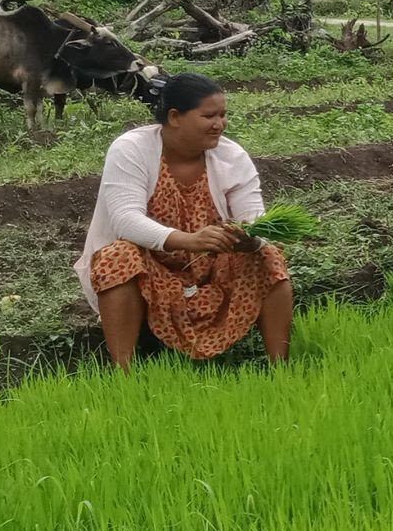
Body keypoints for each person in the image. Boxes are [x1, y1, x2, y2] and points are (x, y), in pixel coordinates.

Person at [76, 74, 293, 369]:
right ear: (175, 117)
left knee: (268, 256)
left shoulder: (231, 156)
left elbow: (256, 220)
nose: (220, 124)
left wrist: (249, 238)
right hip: (151, 268)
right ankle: (122, 372)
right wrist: (189, 240)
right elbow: (126, 220)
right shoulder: (131, 149)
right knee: (118, 256)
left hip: (211, 269)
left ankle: (281, 367)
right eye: (209, 115)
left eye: (223, 115)